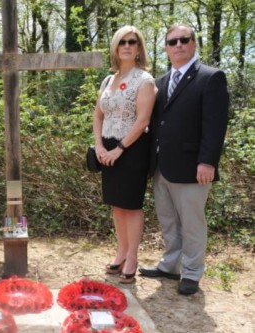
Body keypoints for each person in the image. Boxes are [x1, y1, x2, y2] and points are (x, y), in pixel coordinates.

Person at [139, 24, 229, 295]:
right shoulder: (159, 83)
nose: (178, 45)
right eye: (172, 41)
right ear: (166, 48)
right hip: (161, 167)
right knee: (168, 220)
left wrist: (208, 161)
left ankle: (191, 272)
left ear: (193, 44)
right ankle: (170, 265)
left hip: (193, 168)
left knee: (191, 222)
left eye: (184, 40)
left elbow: (215, 125)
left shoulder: (211, 78)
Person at [93, 25, 156, 284]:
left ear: (139, 48)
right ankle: (121, 252)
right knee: (117, 205)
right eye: (122, 42)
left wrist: (120, 149)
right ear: (116, 48)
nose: (127, 46)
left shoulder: (145, 81)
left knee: (131, 205)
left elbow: (142, 121)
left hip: (132, 149)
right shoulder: (108, 80)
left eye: (132, 42)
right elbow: (98, 116)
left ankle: (132, 257)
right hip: (106, 148)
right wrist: (99, 146)